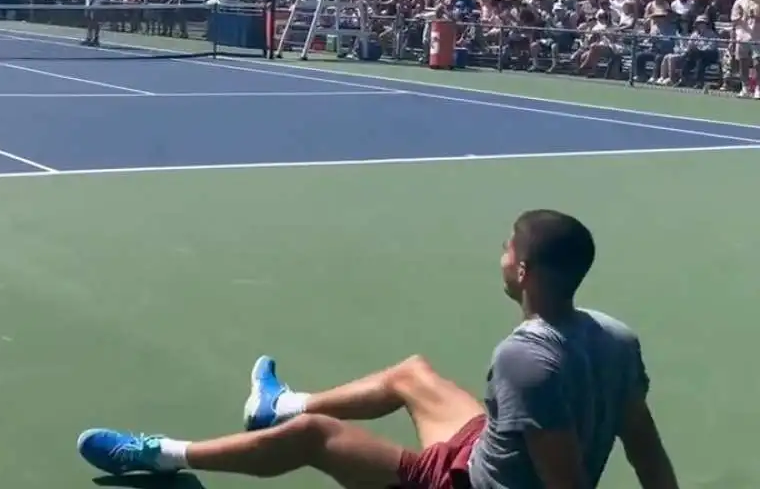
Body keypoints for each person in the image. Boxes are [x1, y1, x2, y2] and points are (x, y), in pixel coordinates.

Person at [76, 209, 679, 489]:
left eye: (504, 248)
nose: (498, 255)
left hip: (459, 485)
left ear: (521, 270)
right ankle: (278, 405)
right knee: (412, 375)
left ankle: (163, 456)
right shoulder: (614, 335)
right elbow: (647, 452)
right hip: (480, 455)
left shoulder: (524, 359)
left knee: (316, 438)